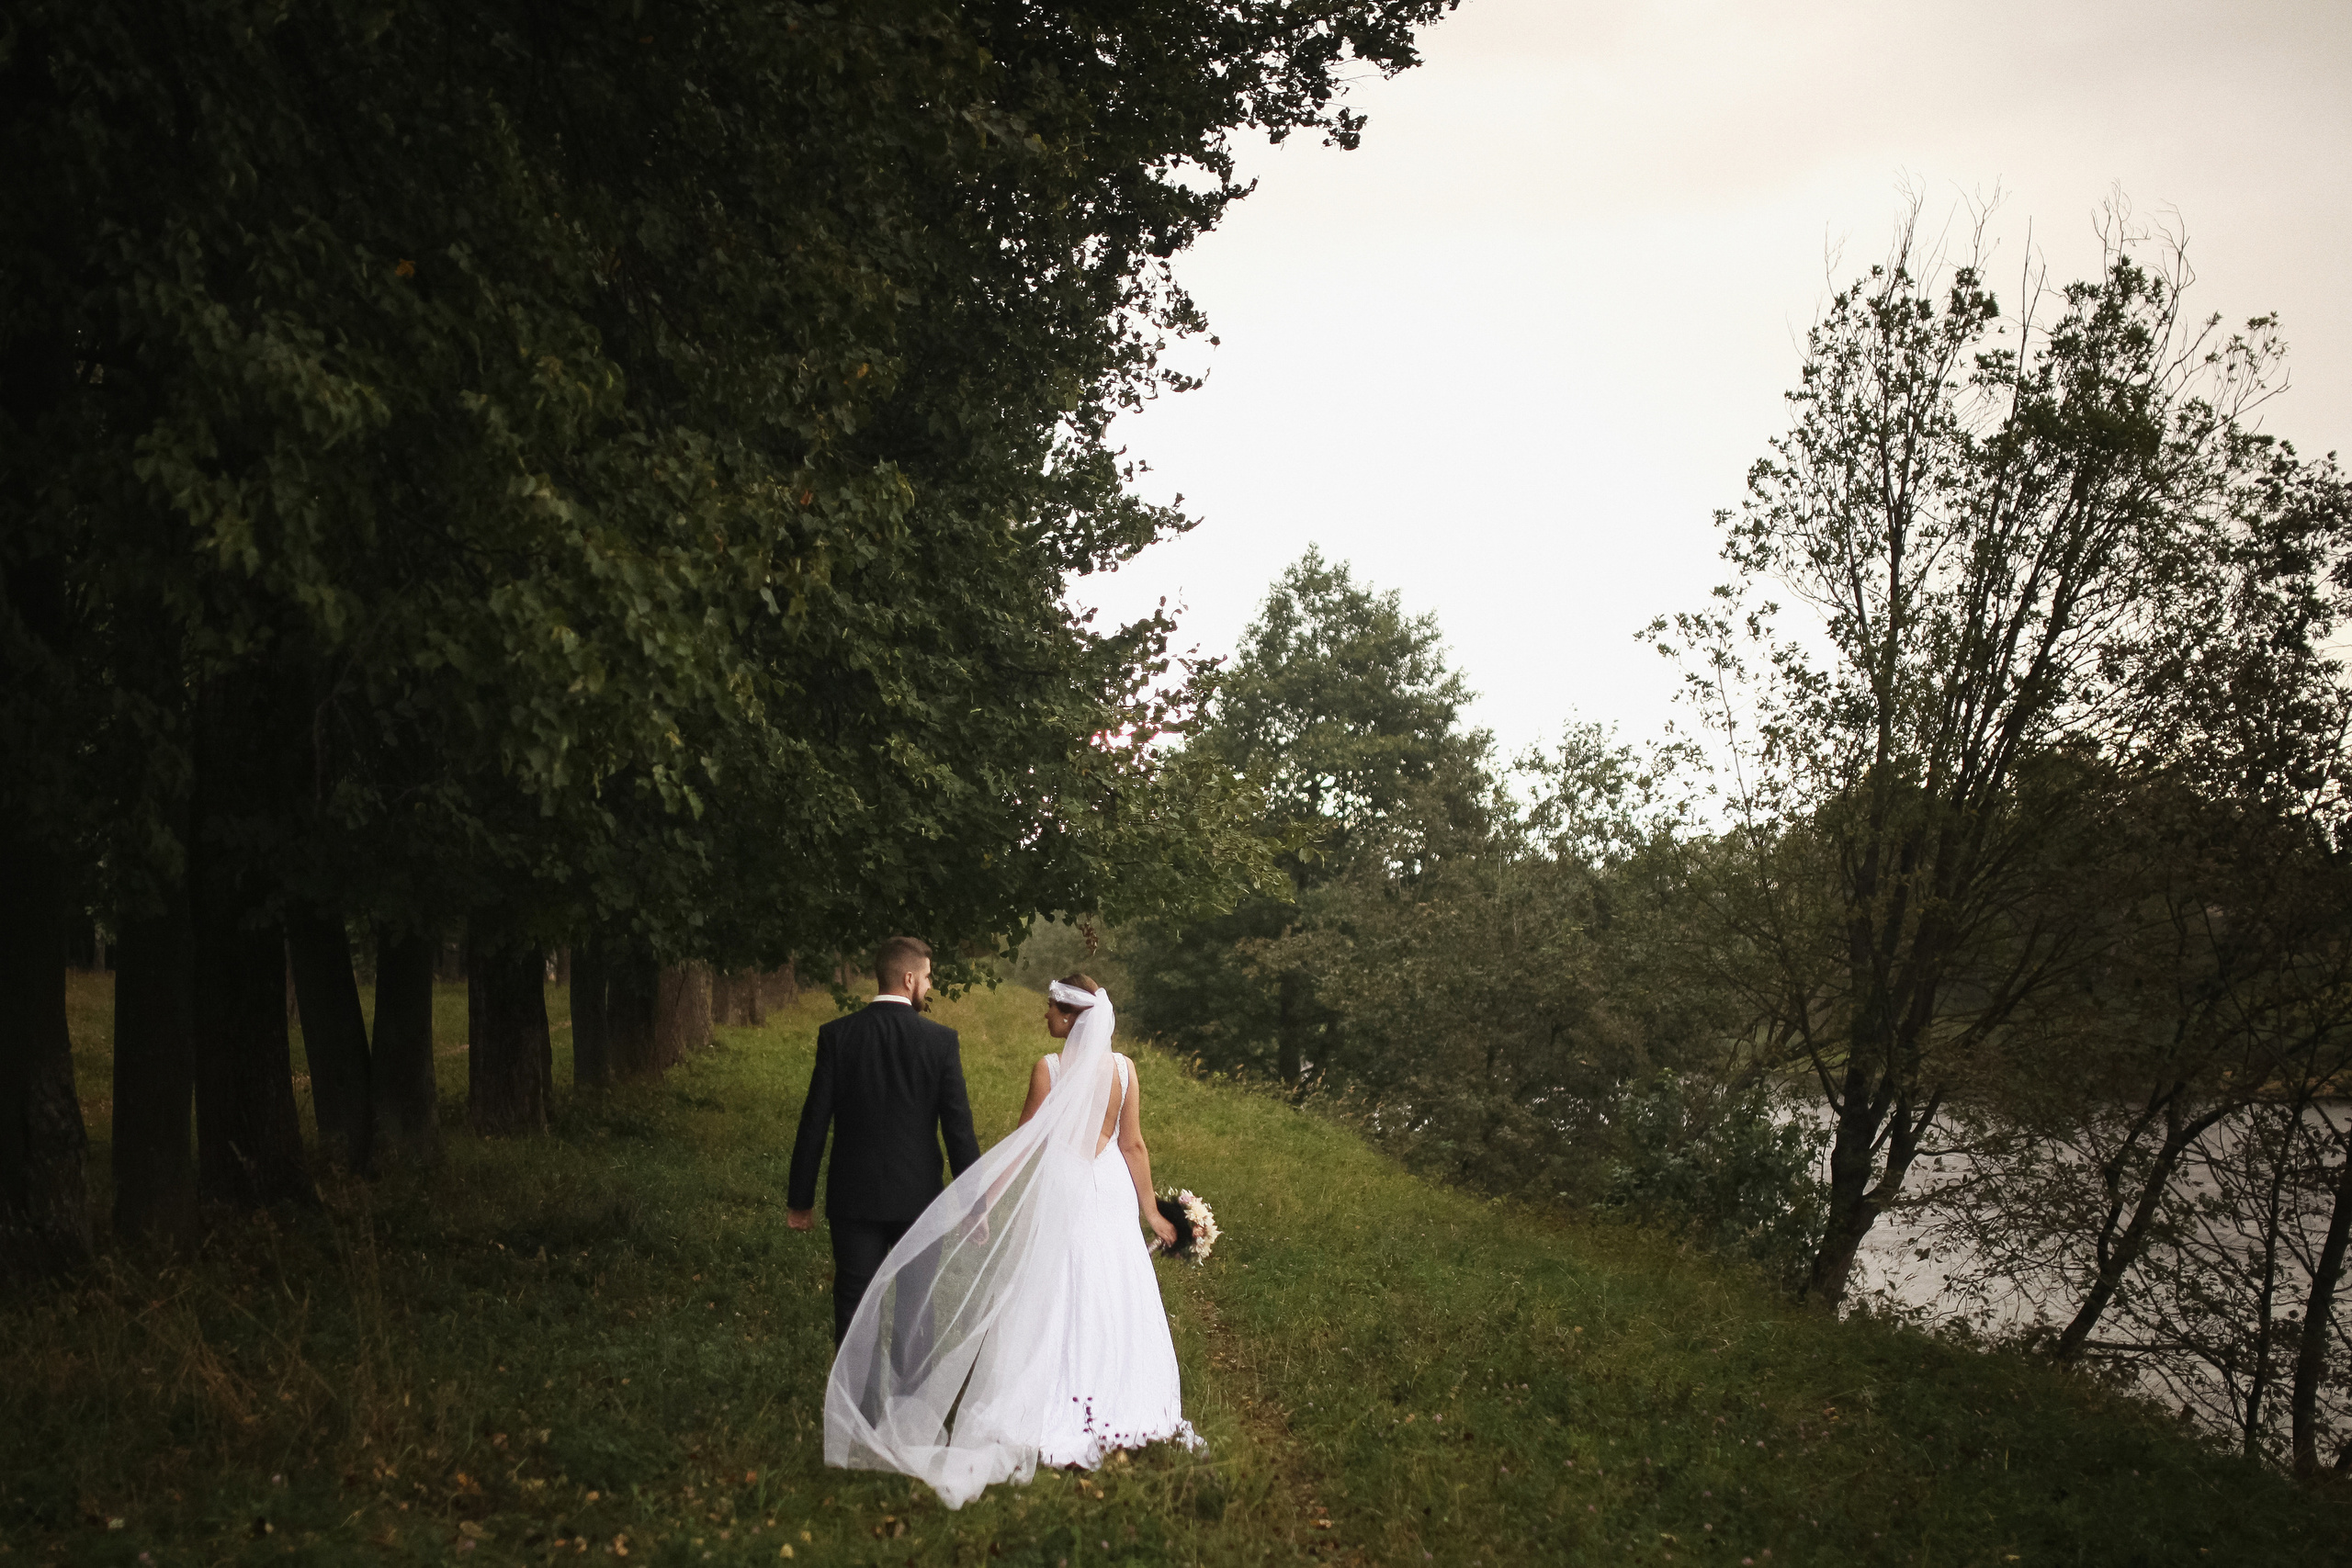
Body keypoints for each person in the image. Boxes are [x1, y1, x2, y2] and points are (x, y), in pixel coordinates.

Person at [822, 973, 1202, 1507]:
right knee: (1113, 1285)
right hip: (1111, 1188)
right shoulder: (1124, 1069)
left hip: (1066, 1185)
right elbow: (1133, 1145)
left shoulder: (1050, 1069)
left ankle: (1054, 1400)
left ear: (1070, 1017)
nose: (1044, 1015)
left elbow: (1023, 1145)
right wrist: (1151, 1213)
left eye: (1051, 1008)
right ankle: (1121, 1401)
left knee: (1057, 1285)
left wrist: (982, 1202)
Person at [786, 936, 981, 1346]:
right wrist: (973, 1205)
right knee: (915, 1308)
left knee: (855, 1307)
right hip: (919, 1200)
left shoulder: (838, 1036)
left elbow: (814, 1122)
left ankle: (855, 1390)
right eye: (927, 977)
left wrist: (800, 1200)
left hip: (853, 1198)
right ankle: (910, 1389)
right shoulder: (940, 1041)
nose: (929, 986)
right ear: (909, 979)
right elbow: (958, 1130)